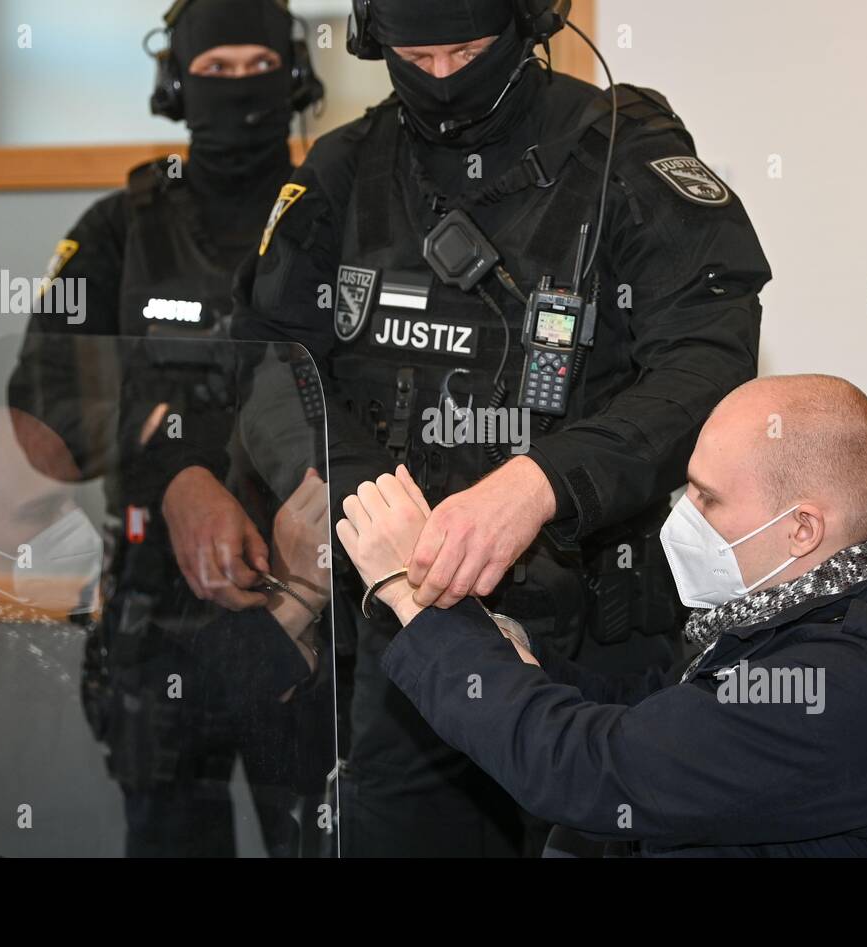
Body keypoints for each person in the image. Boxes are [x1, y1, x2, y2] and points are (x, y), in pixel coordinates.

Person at [162, 0, 772, 856]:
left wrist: (544, 483)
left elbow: (707, 358)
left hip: (599, 647)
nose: (444, 78)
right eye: (420, 56)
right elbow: (271, 363)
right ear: (377, 41)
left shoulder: (620, 156)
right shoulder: (344, 171)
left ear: (528, 25)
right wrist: (377, 504)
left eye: (469, 50)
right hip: (411, 638)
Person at [337, 375, 867, 857]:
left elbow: (595, 772)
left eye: (708, 498)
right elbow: (650, 710)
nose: (685, 515)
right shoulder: (806, 621)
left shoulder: (839, 682)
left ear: (801, 529)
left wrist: (410, 596)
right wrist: (507, 646)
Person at [7, 0, 335, 857]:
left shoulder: (335, 216)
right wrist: (172, 458)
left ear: (294, 76)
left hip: (303, 611)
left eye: (255, 68)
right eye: (214, 69)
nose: (236, 89)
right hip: (155, 620)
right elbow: (38, 417)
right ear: (175, 83)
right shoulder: (122, 228)